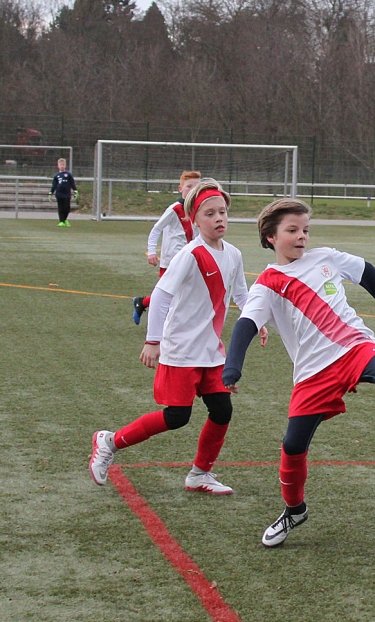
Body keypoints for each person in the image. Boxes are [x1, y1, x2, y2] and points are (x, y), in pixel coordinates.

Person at [222, 198, 375, 548]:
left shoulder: (326, 257)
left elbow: (367, 273)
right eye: (292, 230)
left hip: (354, 345)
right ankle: (294, 510)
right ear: (270, 237)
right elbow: (246, 325)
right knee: (292, 446)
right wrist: (232, 366)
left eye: (305, 229)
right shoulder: (268, 283)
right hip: (313, 371)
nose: (302, 236)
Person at [90, 178, 258, 494]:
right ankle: (109, 441)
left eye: (222, 212)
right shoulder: (190, 254)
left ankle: (199, 474)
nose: (219, 218)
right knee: (177, 416)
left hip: (212, 351)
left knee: (222, 410)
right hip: (181, 349)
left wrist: (257, 321)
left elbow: (241, 295)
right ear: (194, 219)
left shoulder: (234, 254)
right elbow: (161, 295)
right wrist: (152, 341)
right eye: (210, 213)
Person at [132, 171, 202, 324]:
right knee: (166, 292)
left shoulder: (198, 209)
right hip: (171, 259)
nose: (192, 190)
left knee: (187, 290)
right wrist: (152, 251)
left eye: (196, 187)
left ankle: (144, 304)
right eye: (189, 186)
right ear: (180, 189)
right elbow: (156, 229)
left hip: (190, 257)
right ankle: (148, 311)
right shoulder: (174, 209)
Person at [48, 158, 77, 228]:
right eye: (61, 165)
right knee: (60, 208)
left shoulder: (68, 174)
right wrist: (51, 192)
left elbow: (72, 183)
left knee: (67, 208)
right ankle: (61, 221)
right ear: (58, 166)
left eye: (63, 165)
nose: (62, 166)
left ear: (65, 165)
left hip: (67, 194)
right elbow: (54, 185)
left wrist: (75, 190)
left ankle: (64, 219)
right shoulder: (57, 176)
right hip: (59, 194)